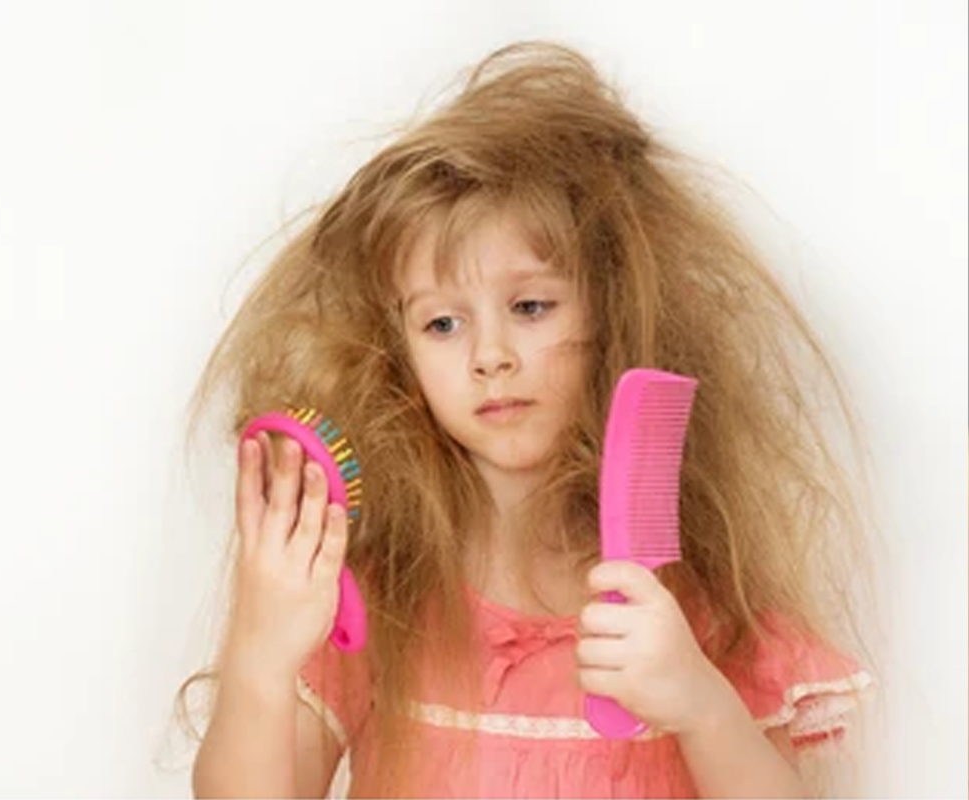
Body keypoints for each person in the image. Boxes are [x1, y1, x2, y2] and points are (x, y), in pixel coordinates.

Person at [181, 41, 875, 798]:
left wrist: (703, 707)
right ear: (397, 353)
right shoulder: (387, 605)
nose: (490, 356)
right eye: (443, 323)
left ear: (610, 312)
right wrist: (259, 655)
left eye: (531, 306)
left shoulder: (693, 609)